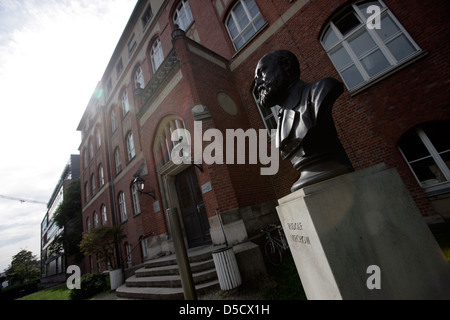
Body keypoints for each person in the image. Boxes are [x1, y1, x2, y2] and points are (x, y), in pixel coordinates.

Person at [254, 50, 352, 191]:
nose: (257, 83)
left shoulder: (320, 92)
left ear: (286, 65)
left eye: (261, 72)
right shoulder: (280, 122)